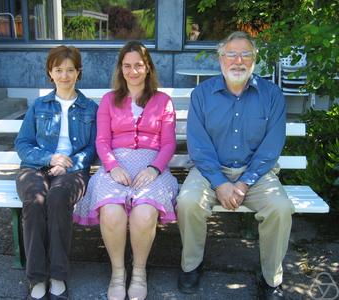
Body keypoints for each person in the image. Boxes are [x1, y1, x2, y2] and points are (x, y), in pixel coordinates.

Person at [176, 31, 294, 300]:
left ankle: (271, 278)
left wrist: (243, 183)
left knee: (280, 208)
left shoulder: (272, 95)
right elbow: (198, 144)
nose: (238, 60)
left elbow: (271, 146)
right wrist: (220, 183)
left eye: (245, 54)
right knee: (188, 202)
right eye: (231, 54)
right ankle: (191, 266)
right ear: (221, 60)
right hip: (210, 171)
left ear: (254, 60)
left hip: (255, 174)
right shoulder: (202, 94)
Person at [73, 41, 178, 300]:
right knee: (111, 211)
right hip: (116, 166)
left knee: (144, 214)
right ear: (121, 69)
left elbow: (168, 143)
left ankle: (139, 272)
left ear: (148, 67)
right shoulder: (109, 100)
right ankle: (118, 273)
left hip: (152, 167)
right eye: (127, 66)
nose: (133, 71)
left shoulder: (163, 101)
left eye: (138, 65)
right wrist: (112, 166)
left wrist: (154, 168)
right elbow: (101, 141)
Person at [15, 45, 98, 300]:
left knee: (58, 198)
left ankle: (59, 275)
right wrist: (49, 157)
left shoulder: (90, 108)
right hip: (35, 168)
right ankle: (37, 277)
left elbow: (93, 147)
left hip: (72, 171)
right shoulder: (39, 105)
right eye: (58, 70)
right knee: (35, 200)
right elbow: (23, 143)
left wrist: (68, 163)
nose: (64, 75)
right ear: (50, 73)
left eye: (70, 70)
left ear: (78, 72)